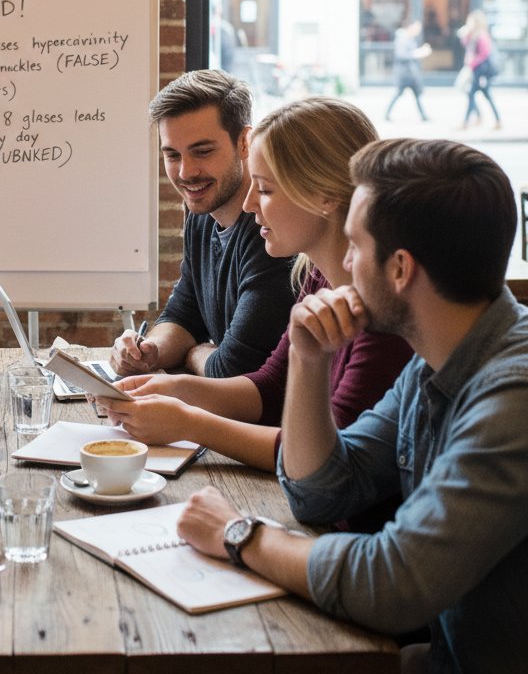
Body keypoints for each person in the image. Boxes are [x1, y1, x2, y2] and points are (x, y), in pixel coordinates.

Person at [175, 138, 528, 674]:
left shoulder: (512, 399)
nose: (341, 262)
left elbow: (394, 582)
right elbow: (321, 491)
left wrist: (239, 533)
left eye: (356, 247)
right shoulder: (436, 360)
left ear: (401, 269)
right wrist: (310, 364)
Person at [102, 98, 411, 482]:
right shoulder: (315, 276)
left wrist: (190, 423)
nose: (249, 204)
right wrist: (175, 387)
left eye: (263, 189)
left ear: (325, 196)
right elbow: (269, 387)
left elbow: (328, 466)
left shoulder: (383, 312)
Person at [110, 70, 295, 378]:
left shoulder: (273, 233)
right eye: (172, 155)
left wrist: (196, 352)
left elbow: (231, 370)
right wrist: (148, 351)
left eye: (203, 151)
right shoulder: (203, 210)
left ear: (244, 142)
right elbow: (184, 313)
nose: (186, 172)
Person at [459, 10, 501, 130]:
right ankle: (495, 120)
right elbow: (467, 45)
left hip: (481, 71)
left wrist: (472, 64)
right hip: (476, 71)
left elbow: (484, 54)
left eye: (470, 20)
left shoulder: (482, 35)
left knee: (472, 94)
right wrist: (465, 34)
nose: (468, 22)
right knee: (484, 95)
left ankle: (466, 122)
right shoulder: (474, 34)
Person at [384, 18, 430, 122]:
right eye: (417, 28)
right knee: (399, 93)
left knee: (416, 94)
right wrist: (418, 53)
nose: (418, 30)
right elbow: (402, 55)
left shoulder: (409, 38)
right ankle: (386, 114)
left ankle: (424, 116)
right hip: (404, 74)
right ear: (410, 27)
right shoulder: (402, 39)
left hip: (410, 74)